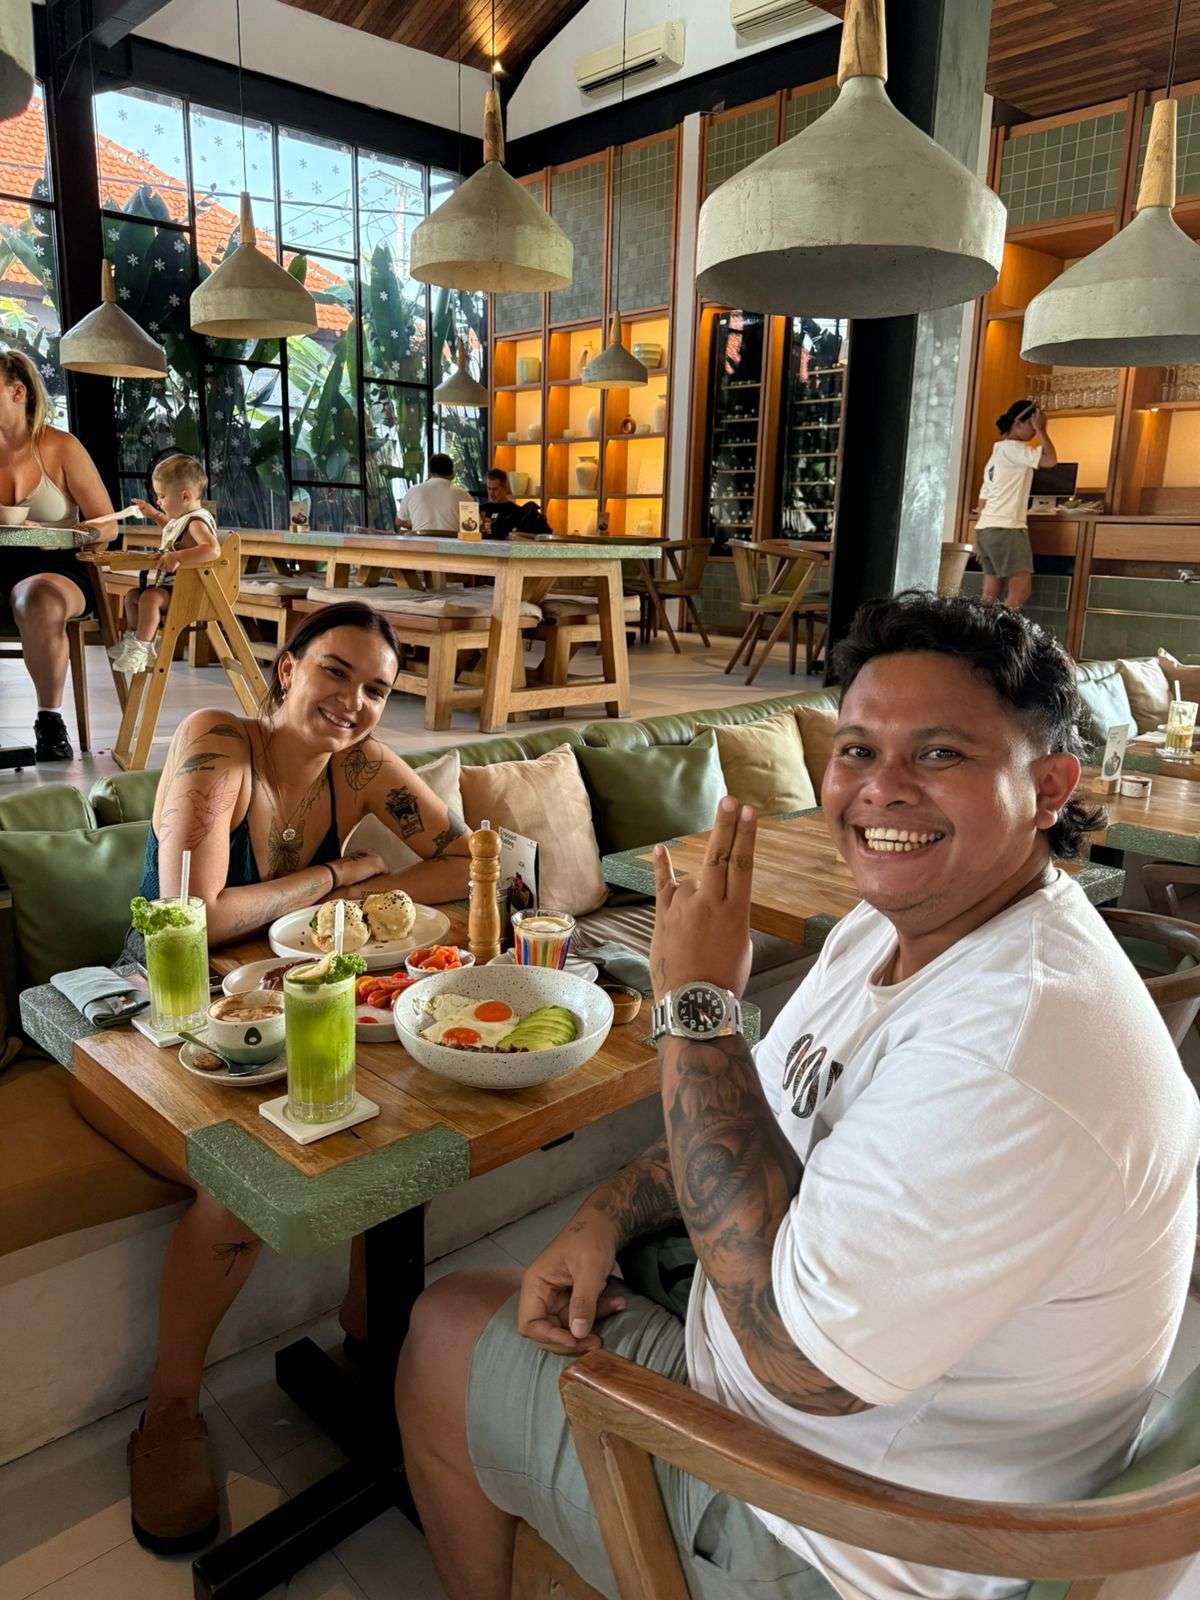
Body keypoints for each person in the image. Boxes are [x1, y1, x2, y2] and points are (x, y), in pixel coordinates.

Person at [397, 592, 1199, 1600]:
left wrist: (695, 1007)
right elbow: (756, 1120)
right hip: (833, 1413)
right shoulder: (900, 925)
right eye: (858, 750)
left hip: (842, 1535)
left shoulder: (1013, 1048)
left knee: (442, 1331)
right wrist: (603, 1213)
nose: (881, 789)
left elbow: (795, 1367)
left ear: (1047, 789)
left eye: (940, 753)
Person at [87, 602, 470, 1554]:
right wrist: (335, 880)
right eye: (335, 671)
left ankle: (369, 1321)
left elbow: (465, 860)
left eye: (377, 688)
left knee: (406, 1109)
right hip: (159, 1010)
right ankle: (170, 1410)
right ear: (287, 669)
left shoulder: (363, 766)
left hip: (283, 1005)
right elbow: (193, 912)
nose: (354, 702)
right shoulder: (219, 742)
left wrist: (362, 889)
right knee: (239, 1193)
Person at [0, 349, 115, 759]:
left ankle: (49, 722)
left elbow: (108, 525)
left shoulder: (62, 447)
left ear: (17, 393)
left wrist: (60, 534)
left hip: (58, 570)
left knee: (37, 597)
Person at [107, 453, 220, 675]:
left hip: (190, 591)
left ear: (185, 496)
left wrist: (178, 557)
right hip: (173, 589)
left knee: (149, 598)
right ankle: (133, 641)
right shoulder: (185, 520)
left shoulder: (197, 522)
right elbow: (171, 527)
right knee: (132, 596)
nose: (158, 501)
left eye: (161, 496)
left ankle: (142, 647)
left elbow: (213, 549)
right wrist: (153, 514)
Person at [974, 398, 1057, 612]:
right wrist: (1043, 430)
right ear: (1018, 423)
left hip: (986, 529)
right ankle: (1004, 631)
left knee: (989, 594)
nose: (1034, 429)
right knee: (1020, 592)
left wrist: (978, 541)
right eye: (1031, 423)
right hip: (1007, 528)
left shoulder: (997, 453)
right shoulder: (1015, 449)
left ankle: (981, 629)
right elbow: (1050, 460)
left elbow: (982, 502)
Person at [394, 451, 476, 534]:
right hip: (452, 542)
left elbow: (399, 521)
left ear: (429, 473)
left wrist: (415, 524)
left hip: (420, 541)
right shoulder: (464, 495)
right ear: (452, 474)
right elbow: (473, 528)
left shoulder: (413, 491)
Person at [480, 466, 551, 539]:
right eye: (489, 488)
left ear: (505, 488)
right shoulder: (481, 510)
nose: (491, 493)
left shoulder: (518, 512)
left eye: (495, 489)